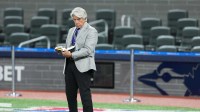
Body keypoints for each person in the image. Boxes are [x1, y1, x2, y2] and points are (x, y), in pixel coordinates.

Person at [55, 7, 98, 112]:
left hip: (83, 66)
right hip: (69, 65)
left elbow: (88, 50)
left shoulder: (92, 31)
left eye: (79, 19)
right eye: (74, 19)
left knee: (85, 95)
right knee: (70, 94)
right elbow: (69, 46)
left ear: (85, 19)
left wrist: (71, 54)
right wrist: (63, 51)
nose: (76, 22)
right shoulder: (71, 31)